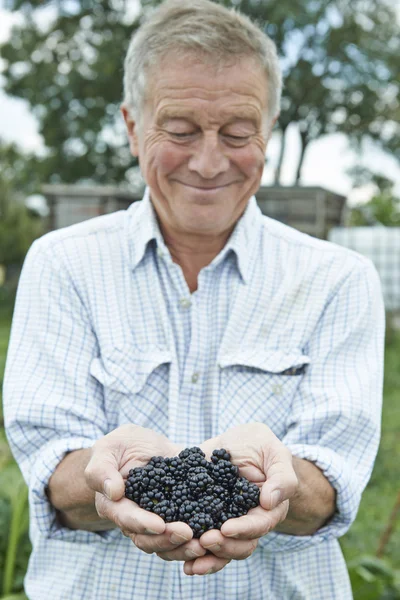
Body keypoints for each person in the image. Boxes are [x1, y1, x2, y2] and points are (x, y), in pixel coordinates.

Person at [3, 1, 385, 598]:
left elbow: (332, 485)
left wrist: (281, 486)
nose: (209, 163)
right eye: (180, 132)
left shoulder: (337, 279)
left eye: (237, 134)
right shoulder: (64, 265)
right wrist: (104, 477)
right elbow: (54, 478)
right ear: (132, 127)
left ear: (269, 130)